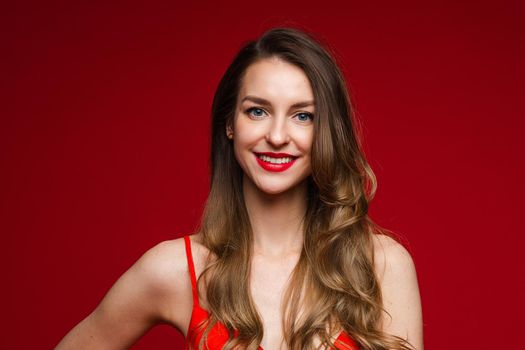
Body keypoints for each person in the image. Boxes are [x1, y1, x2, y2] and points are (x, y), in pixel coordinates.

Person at [56, 27, 423, 350]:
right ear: (230, 123)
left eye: (302, 116)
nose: (277, 136)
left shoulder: (381, 266)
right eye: (257, 111)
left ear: (326, 131)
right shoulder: (178, 270)